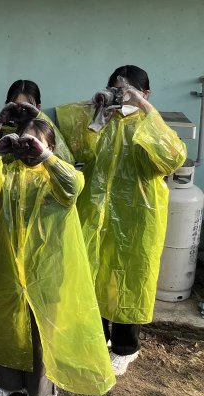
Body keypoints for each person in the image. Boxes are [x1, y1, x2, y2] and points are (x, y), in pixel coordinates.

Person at [55, 65, 186, 376]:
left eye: (129, 90)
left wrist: (143, 107)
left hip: (137, 216)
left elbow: (173, 157)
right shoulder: (101, 120)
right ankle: (96, 339)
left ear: (146, 94)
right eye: (116, 89)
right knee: (93, 275)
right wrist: (94, 110)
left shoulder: (151, 124)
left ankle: (127, 348)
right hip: (95, 213)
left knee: (129, 279)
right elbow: (70, 149)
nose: (121, 95)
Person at [0, 119, 115, 396]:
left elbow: (73, 186)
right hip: (7, 267)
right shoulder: (6, 174)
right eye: (24, 141)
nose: (29, 149)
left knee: (41, 334)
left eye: (37, 143)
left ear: (51, 147)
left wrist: (47, 158)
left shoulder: (60, 178)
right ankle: (3, 384)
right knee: (4, 328)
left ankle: (40, 391)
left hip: (47, 271)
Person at [0, 80, 74, 163]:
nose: (21, 111)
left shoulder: (43, 130)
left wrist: (39, 116)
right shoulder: (1, 130)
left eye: (27, 106)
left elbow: (66, 160)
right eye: (15, 106)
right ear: (7, 105)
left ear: (37, 107)